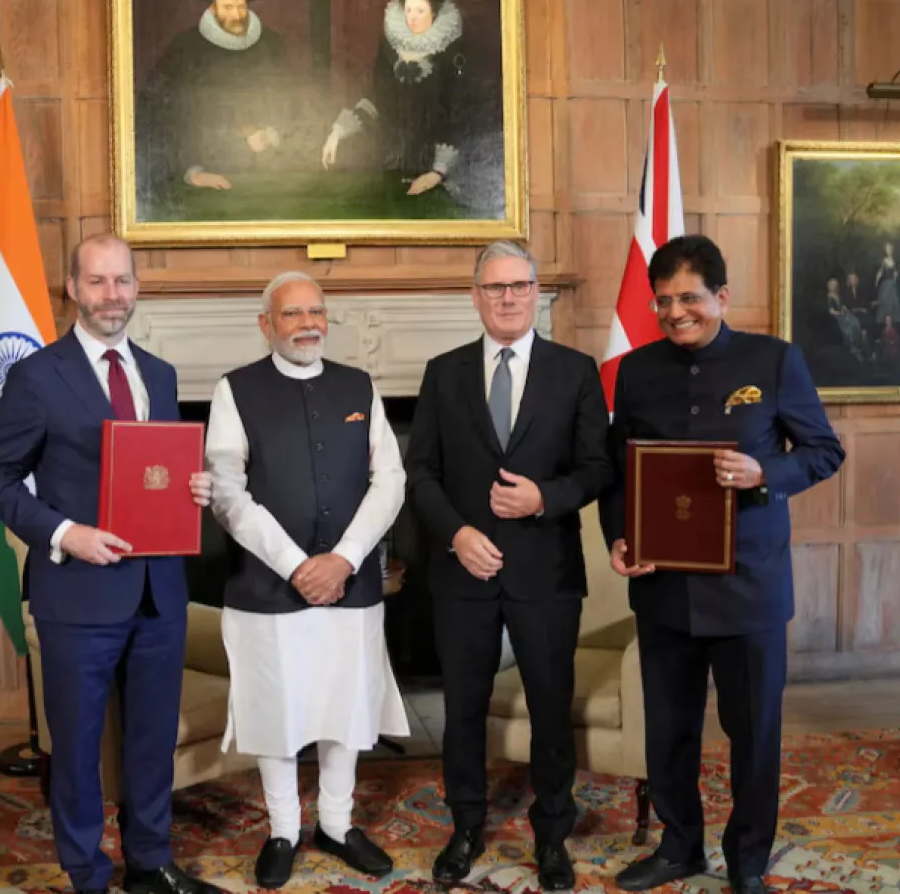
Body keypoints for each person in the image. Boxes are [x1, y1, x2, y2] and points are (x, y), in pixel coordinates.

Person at [0, 233, 224, 894]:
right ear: (73, 289)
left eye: (123, 281)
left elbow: (154, 474)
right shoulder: (37, 375)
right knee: (79, 748)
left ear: (137, 287)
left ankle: (150, 861)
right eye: (98, 281)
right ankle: (87, 872)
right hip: (78, 591)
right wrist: (64, 532)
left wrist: (193, 487)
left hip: (159, 592)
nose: (112, 294)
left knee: (150, 740)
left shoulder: (160, 374)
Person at [601, 235, 844, 894]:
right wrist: (619, 537)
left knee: (754, 735)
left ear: (721, 297)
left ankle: (747, 858)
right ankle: (680, 846)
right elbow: (618, 470)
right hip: (664, 585)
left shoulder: (774, 359)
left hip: (750, 587)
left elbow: (824, 451)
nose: (676, 311)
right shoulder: (636, 369)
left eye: (690, 297)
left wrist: (766, 469)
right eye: (664, 301)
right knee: (669, 730)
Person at [405, 240, 612, 891]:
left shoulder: (575, 371)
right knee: (462, 707)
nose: (508, 297)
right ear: (475, 296)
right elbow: (421, 472)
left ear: (536, 292)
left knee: (552, 707)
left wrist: (544, 498)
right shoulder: (443, 372)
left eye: (519, 285)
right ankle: (465, 826)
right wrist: (458, 532)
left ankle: (553, 835)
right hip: (461, 569)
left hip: (544, 570)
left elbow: (599, 467)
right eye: (494, 288)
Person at [204, 271, 409, 889]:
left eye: (316, 312)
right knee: (277, 710)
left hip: (350, 584)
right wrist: (297, 565)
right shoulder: (234, 390)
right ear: (267, 324)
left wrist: (343, 558)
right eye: (292, 314)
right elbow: (225, 494)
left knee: (346, 705)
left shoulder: (359, 385)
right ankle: (284, 829)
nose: (307, 324)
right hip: (268, 587)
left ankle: (338, 824)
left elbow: (391, 481)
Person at [321, 0, 499, 214]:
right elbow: (377, 98)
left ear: (435, 13)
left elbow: (461, 115)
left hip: (440, 170)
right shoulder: (390, 46)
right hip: (393, 162)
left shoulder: (455, 51)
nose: (412, 17)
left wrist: (438, 172)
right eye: (408, 10)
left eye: (420, 10)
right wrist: (339, 132)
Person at [135, 0, 296, 200]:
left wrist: (273, 133)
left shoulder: (271, 44)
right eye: (228, 8)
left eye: (241, 7)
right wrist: (191, 172)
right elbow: (158, 115)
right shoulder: (184, 48)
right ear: (212, 8)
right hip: (205, 173)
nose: (236, 14)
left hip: (270, 172)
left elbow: (297, 102)